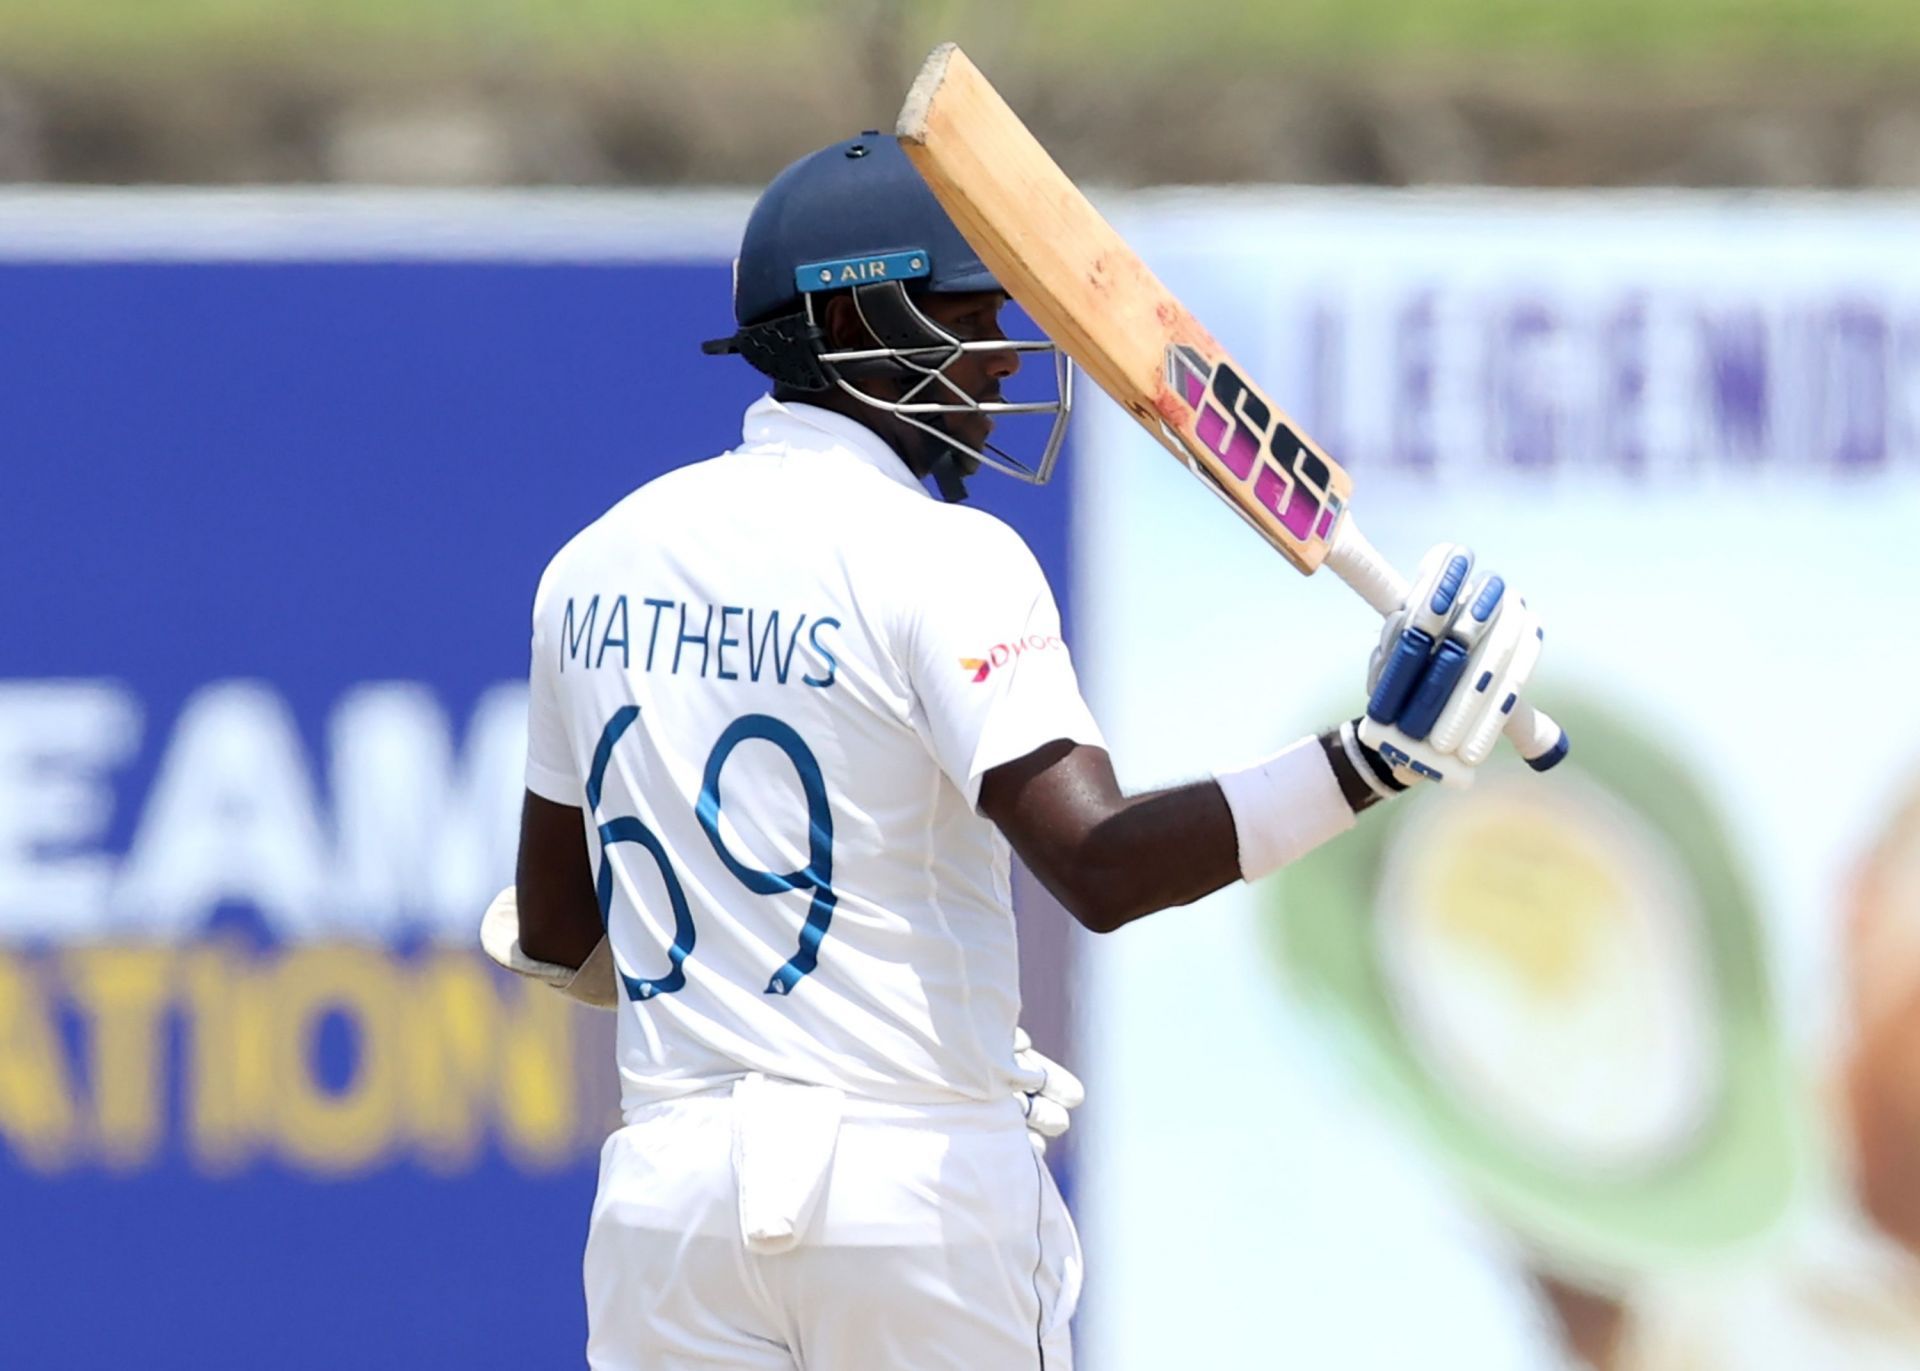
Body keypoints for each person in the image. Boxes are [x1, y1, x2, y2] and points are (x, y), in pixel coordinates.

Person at [484, 131, 1548, 1370]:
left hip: (668, 1207)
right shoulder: (942, 558)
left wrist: (768, 1019)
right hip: (916, 1195)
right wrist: (1372, 761)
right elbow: (1099, 866)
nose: (1000, 359)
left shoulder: (592, 564)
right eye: (974, 311)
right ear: (866, 317)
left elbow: (557, 931)